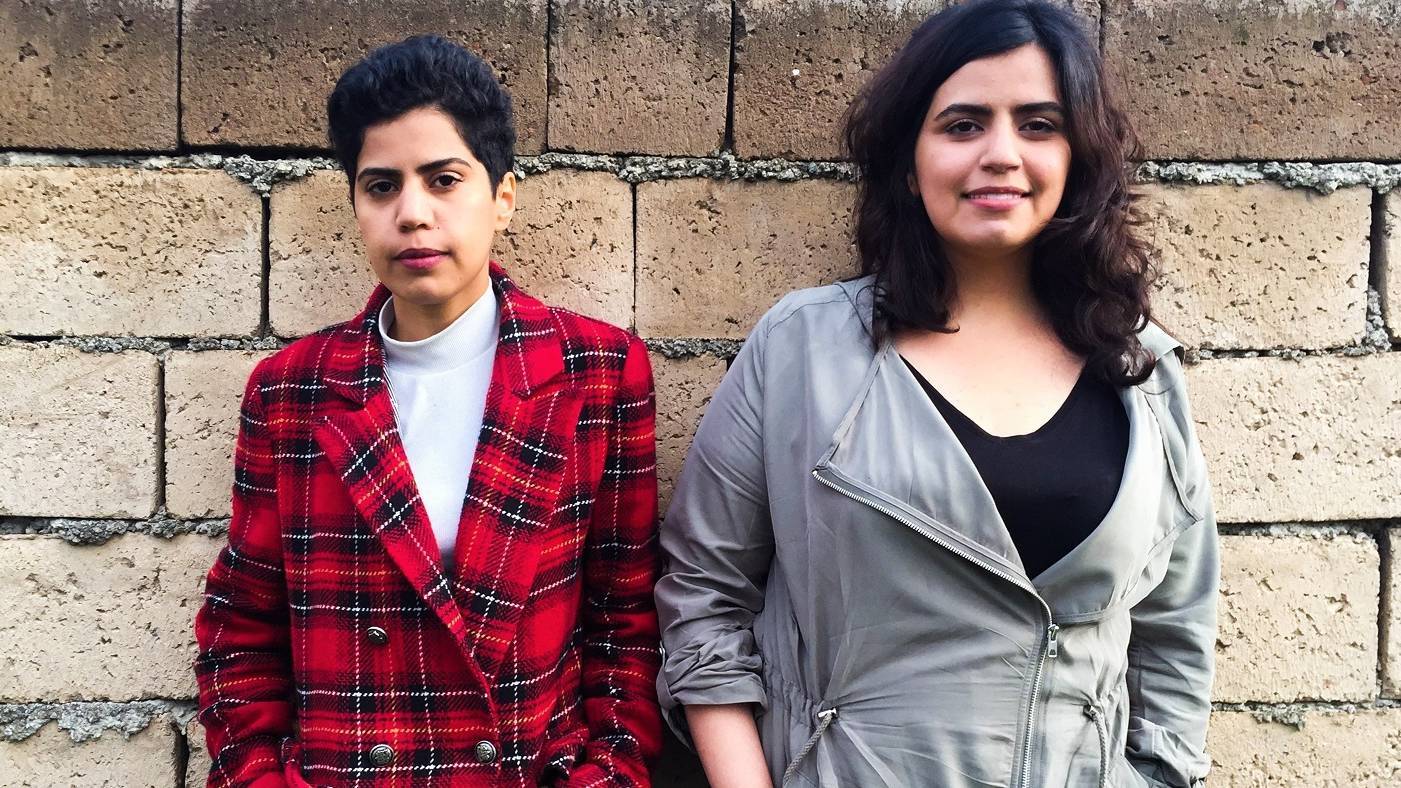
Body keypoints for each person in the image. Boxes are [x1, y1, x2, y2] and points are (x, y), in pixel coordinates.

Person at [654, 1, 1218, 786]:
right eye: (961, 125)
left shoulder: (1139, 371)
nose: (999, 153)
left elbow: (1174, 632)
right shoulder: (804, 351)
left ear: (1078, 156)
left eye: (1037, 123)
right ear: (908, 164)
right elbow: (704, 597)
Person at [195, 36, 662, 787]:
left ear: (501, 197)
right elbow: (242, 625)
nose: (412, 214)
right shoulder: (292, 391)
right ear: (355, 204)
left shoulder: (596, 372)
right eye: (381, 186)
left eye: (443, 179)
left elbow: (625, 620)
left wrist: (607, 773)